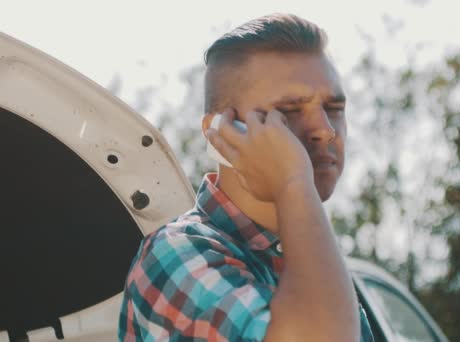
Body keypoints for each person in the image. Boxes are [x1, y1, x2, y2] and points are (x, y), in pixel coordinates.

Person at [119, 13, 375, 341]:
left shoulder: (313, 264)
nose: (325, 130)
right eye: (291, 110)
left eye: (334, 108)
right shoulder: (177, 255)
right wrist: (292, 181)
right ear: (218, 132)